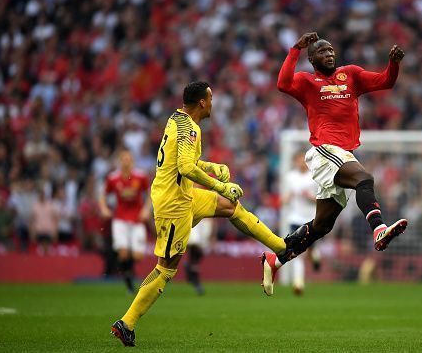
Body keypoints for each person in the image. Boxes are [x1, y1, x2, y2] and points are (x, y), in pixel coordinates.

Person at [111, 81, 289, 347]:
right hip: (173, 204)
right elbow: (184, 167)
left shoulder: (177, 120)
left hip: (185, 195)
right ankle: (127, 323)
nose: (213, 102)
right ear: (203, 103)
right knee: (166, 268)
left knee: (231, 207)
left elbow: (184, 162)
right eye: (211, 97)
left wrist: (213, 167)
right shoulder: (190, 130)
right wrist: (220, 185)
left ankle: (280, 247)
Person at [261, 32, 408, 296]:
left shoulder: (350, 74)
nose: (329, 54)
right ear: (311, 58)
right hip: (325, 151)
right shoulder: (307, 81)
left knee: (322, 226)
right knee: (364, 179)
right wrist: (295, 47)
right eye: (322, 51)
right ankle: (378, 229)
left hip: (343, 153)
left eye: (330, 50)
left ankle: (276, 259)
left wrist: (393, 64)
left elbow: (385, 81)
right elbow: (282, 83)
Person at [99, 149, 151, 294]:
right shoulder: (113, 178)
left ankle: (128, 272)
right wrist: (103, 208)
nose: (126, 161)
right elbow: (103, 194)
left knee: (137, 256)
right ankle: (129, 282)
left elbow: (150, 194)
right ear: (119, 161)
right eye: (123, 159)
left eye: (128, 159)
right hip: (120, 219)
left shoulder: (140, 177)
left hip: (137, 220)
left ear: (132, 160)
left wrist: (146, 210)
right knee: (123, 254)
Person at [282, 151, 321, 295]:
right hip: (295, 219)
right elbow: (284, 199)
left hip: (311, 219)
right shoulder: (290, 177)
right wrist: (288, 198)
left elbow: (322, 200)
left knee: (310, 251)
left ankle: (316, 255)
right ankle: (298, 282)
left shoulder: (314, 177)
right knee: (296, 251)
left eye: (303, 160)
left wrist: (310, 197)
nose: (301, 163)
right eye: (298, 160)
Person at [184, 217, 214, 295]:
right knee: (194, 243)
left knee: (201, 249)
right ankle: (194, 276)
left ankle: (190, 267)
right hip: (194, 217)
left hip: (206, 219)